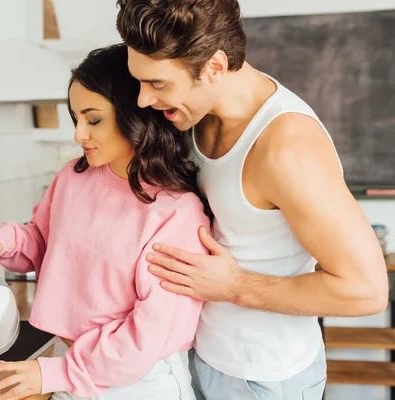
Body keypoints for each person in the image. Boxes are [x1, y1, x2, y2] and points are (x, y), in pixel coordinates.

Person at [115, 0, 389, 399]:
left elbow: (365, 290)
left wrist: (234, 286)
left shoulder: (286, 148)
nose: (143, 99)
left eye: (157, 84)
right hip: (197, 356)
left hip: (262, 377)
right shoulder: (194, 113)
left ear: (214, 67)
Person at [0, 44, 212, 400]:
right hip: (71, 365)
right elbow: (48, 243)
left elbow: (148, 334)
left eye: (93, 120)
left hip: (137, 382)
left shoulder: (176, 214)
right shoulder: (74, 177)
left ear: (134, 115)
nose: (79, 134)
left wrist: (59, 372)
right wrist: (3, 241)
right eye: (75, 118)